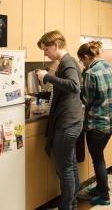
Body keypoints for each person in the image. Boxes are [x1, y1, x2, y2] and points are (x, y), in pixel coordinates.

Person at [35, 30, 83, 210]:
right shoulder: (66, 61)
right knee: (70, 166)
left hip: (67, 123)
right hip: (73, 120)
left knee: (65, 171)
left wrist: (47, 77)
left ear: (56, 45)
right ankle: (73, 204)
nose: (45, 53)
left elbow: (74, 86)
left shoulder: (67, 62)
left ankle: (66, 207)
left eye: (46, 49)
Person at [77, 41, 112, 206]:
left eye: (82, 60)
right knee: (99, 157)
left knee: (98, 160)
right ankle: (100, 187)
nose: (83, 63)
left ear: (87, 57)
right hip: (111, 123)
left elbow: (86, 100)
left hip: (96, 124)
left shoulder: (91, 73)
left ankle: (104, 196)